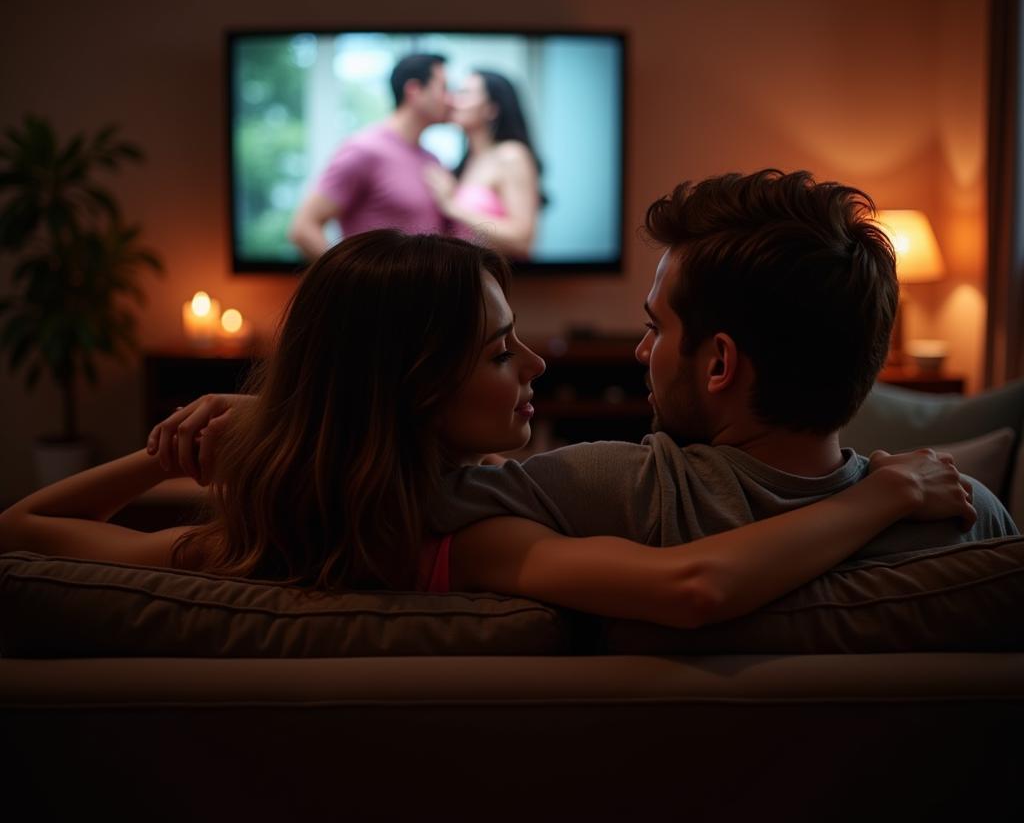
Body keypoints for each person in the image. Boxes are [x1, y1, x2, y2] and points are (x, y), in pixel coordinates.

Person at [0, 229, 978, 630]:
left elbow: (28, 533)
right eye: (501, 351)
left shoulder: (265, 544)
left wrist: (147, 454)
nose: (538, 368)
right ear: (413, 386)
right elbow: (693, 583)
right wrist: (885, 491)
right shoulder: (484, 535)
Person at [429, 169, 1017, 584]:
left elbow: (403, 505)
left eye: (655, 327)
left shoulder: (612, 492)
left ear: (719, 364)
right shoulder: (970, 517)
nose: (640, 351)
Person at [288, 53, 463, 261]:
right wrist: (353, 281)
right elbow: (303, 228)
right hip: (376, 293)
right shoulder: (364, 150)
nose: (452, 100)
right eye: (444, 88)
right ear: (414, 90)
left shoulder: (432, 160)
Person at [423, 70, 541, 260]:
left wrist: (452, 206)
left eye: (464, 93)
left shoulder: (511, 155)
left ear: (491, 109)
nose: (453, 100)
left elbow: (523, 239)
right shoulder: (466, 162)